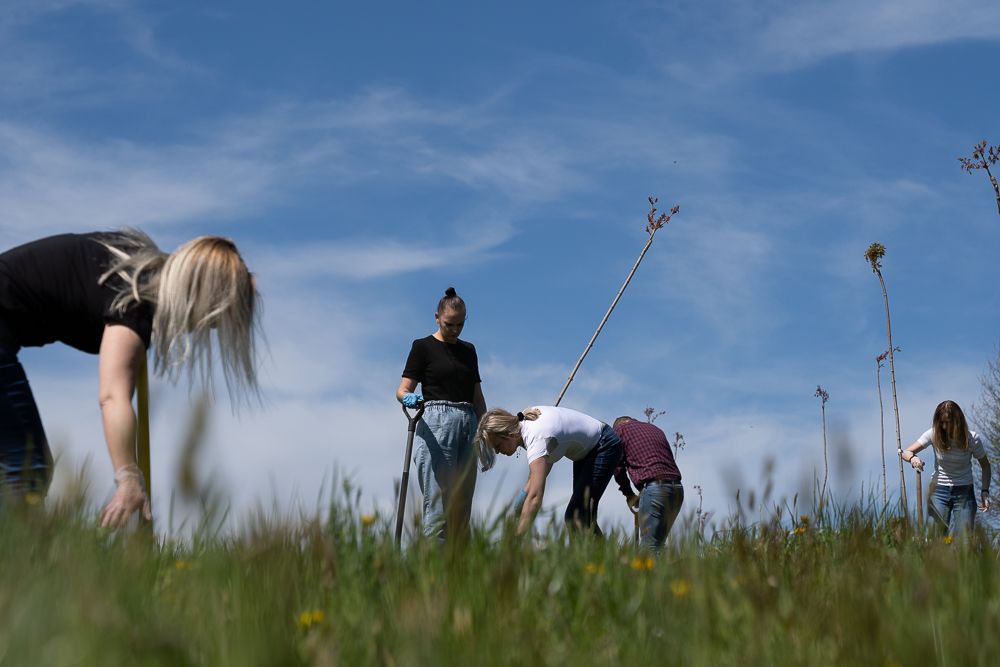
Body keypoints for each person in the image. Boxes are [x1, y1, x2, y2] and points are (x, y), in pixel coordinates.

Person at [0, 229, 259, 527]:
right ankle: (17, 564)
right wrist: (127, 479)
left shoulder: (133, 262)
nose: (202, 328)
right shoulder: (133, 305)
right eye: (212, 321)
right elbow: (113, 396)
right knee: (26, 471)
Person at [396, 287, 486, 541]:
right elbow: (402, 390)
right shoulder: (423, 347)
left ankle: (458, 569)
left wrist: (486, 429)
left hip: (468, 425)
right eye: (449, 324)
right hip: (436, 423)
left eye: (460, 324)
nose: (455, 330)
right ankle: (432, 567)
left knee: (461, 506)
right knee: (438, 503)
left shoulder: (469, 351)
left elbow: (477, 396)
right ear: (437, 317)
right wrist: (410, 399)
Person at [475, 406, 623, 536]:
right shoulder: (526, 424)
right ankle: (602, 561)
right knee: (581, 516)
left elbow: (535, 498)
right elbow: (536, 477)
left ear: (508, 434)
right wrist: (519, 503)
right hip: (586, 452)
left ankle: (596, 563)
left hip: (603, 445)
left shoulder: (536, 437)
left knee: (576, 516)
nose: (498, 452)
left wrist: (516, 538)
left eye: (497, 446)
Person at [901, 400, 992, 537]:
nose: (944, 426)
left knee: (965, 541)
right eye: (941, 422)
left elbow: (985, 466)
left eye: (948, 422)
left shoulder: (972, 439)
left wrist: (985, 491)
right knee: (936, 538)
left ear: (958, 421)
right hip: (939, 491)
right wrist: (913, 458)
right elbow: (905, 452)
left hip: (964, 493)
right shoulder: (933, 434)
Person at [612, 416, 683, 552]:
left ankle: (647, 573)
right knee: (658, 545)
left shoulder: (619, 430)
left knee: (649, 547)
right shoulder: (656, 429)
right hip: (677, 489)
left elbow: (618, 467)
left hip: (654, 489)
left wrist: (629, 495)